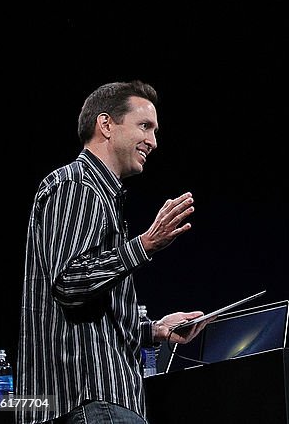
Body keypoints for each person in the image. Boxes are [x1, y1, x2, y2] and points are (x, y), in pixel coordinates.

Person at [18, 81, 206, 424]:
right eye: (144, 126)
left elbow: (93, 311)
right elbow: (70, 283)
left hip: (99, 401)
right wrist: (144, 244)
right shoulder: (77, 185)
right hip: (90, 400)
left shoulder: (99, 195)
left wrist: (156, 330)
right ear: (105, 125)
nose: (153, 141)